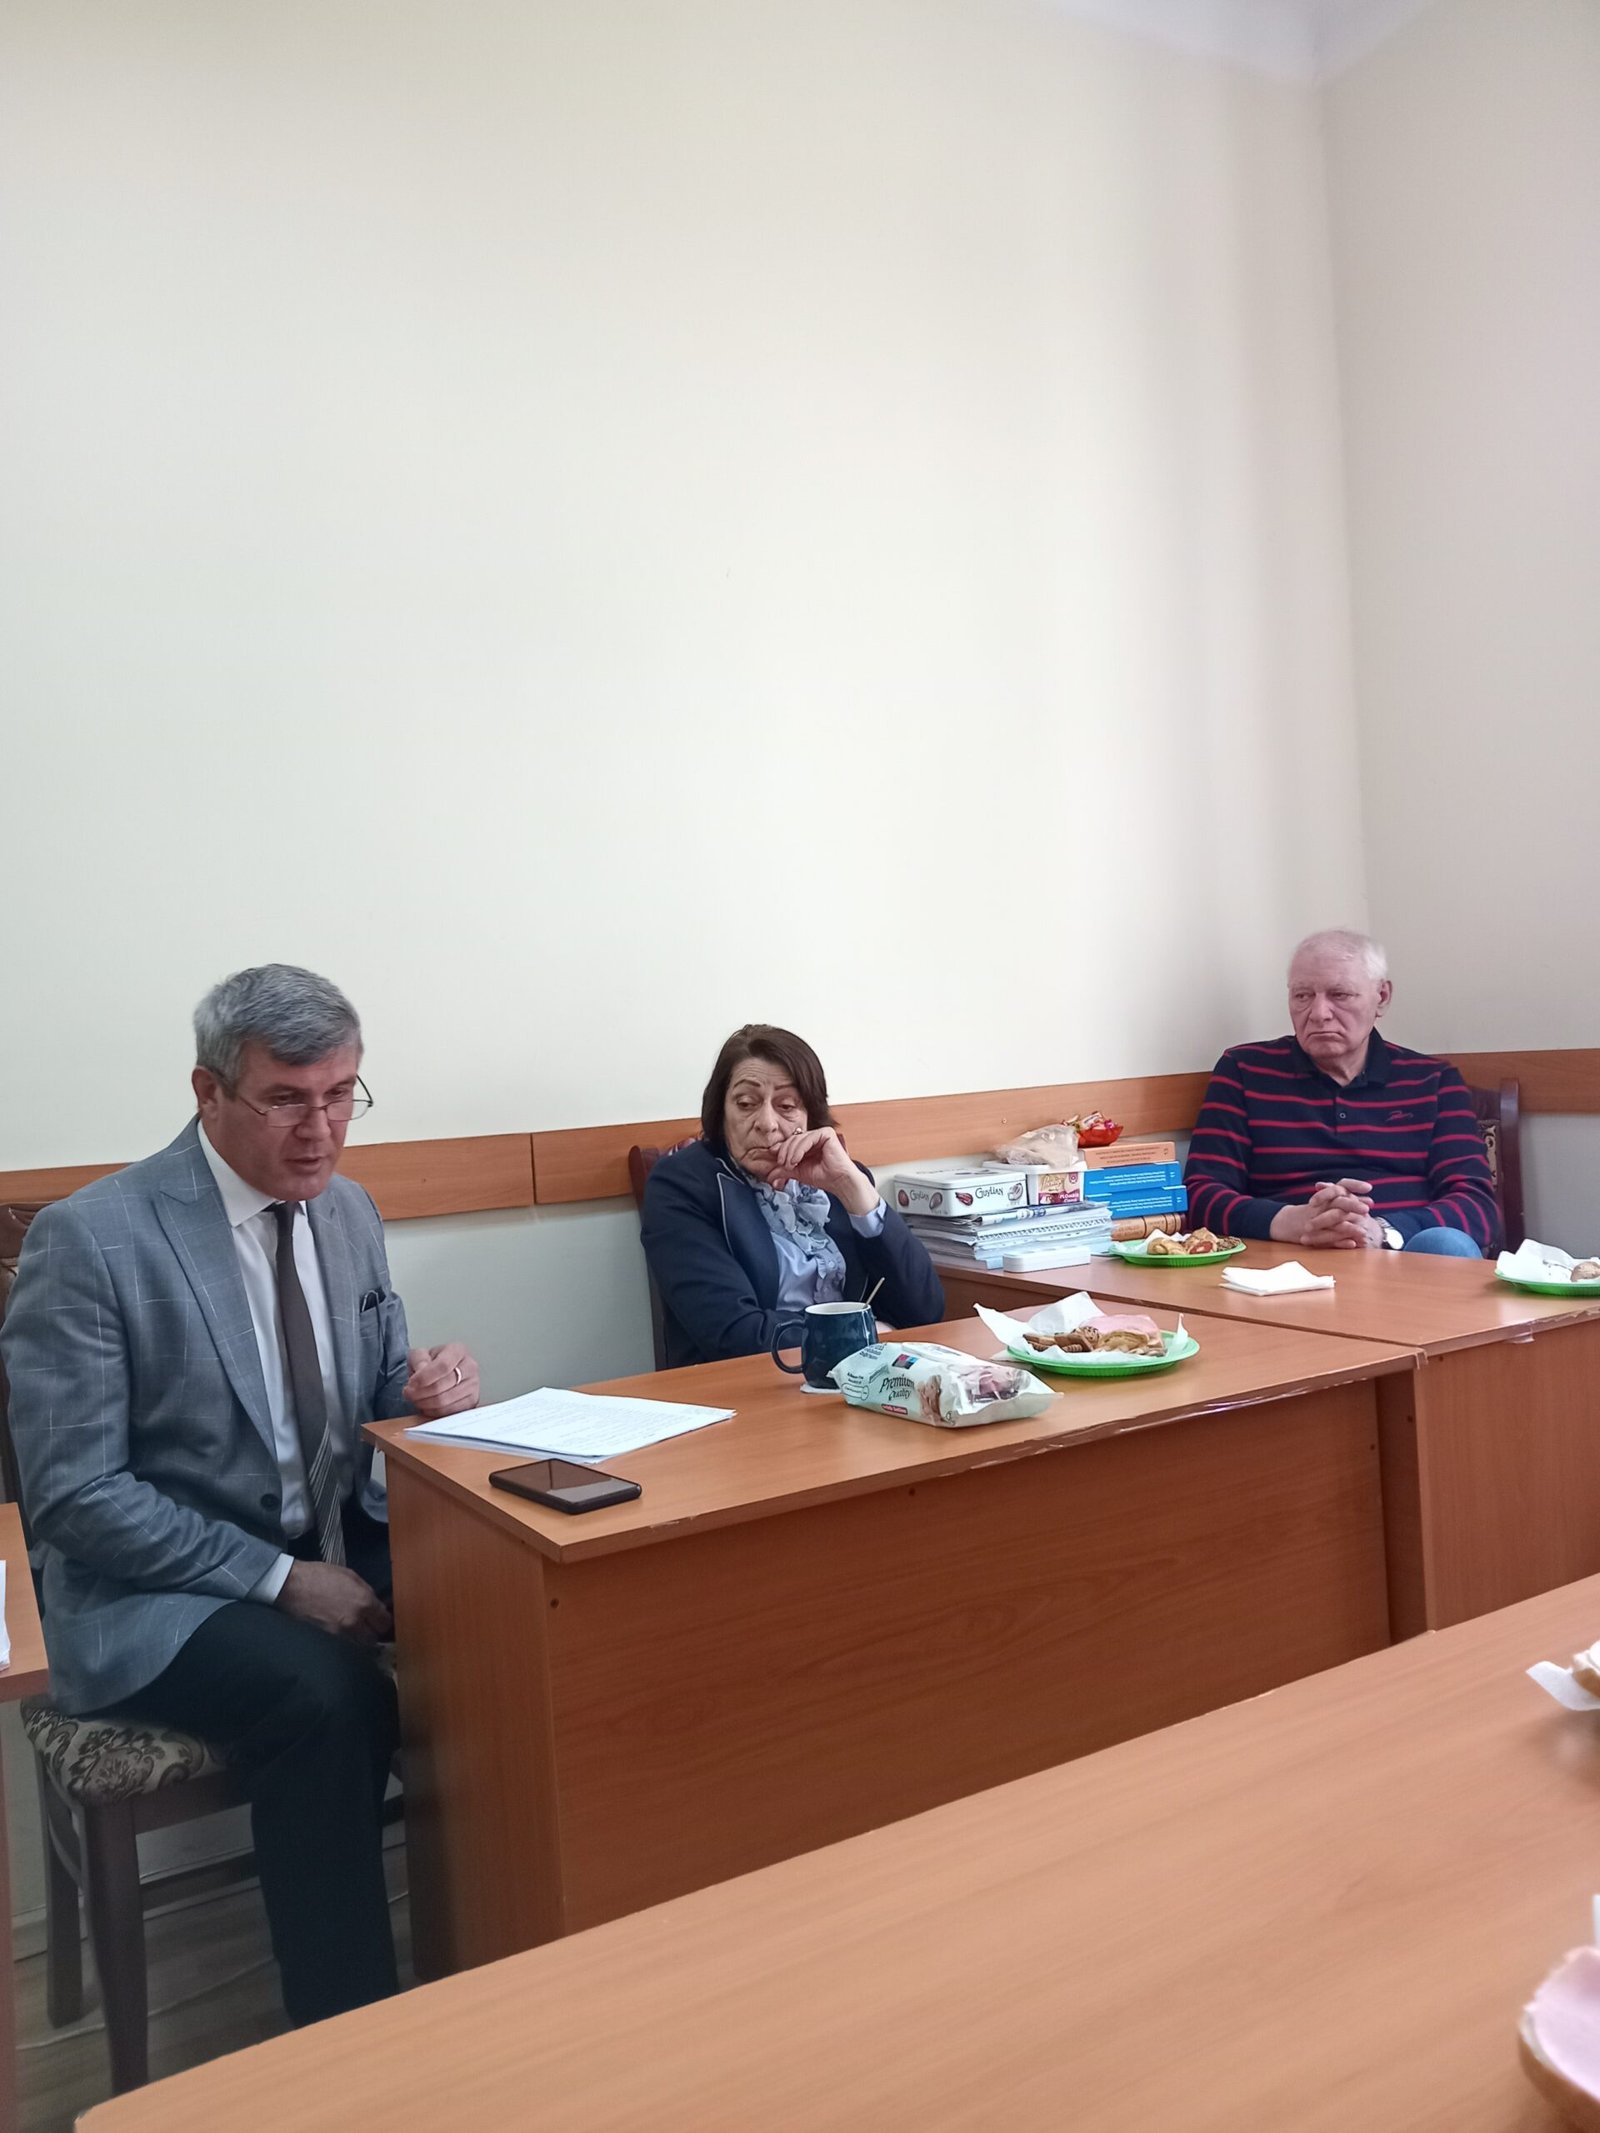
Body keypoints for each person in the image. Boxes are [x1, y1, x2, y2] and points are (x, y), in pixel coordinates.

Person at [1, 964, 482, 2027]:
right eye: (286, 1099)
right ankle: (347, 2029)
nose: (321, 1130)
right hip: (154, 1589)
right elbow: (75, 1495)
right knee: (330, 1699)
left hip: (329, 1531)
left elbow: (374, 1399)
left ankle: (512, 1939)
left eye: (341, 1094)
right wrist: (280, 1581)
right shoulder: (93, 1239)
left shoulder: (347, 1210)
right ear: (208, 1091)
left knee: (509, 1603)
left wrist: (424, 1395)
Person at [640, 1024, 945, 1366]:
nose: (767, 1123)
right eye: (746, 1103)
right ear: (721, 1112)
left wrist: (854, 1189)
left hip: (860, 1377)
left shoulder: (839, 1179)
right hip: (750, 1383)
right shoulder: (682, 1185)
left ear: (810, 1115)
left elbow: (925, 1311)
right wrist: (860, 1333)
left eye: (786, 1105)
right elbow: (734, 1335)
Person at [1184, 929, 1500, 1255]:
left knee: (1447, 1245)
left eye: (1340, 994)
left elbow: (1477, 1205)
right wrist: (1289, 1221)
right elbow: (1200, 1193)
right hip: (1285, 1261)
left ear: (1382, 997)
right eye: (1303, 996)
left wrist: (1382, 1230)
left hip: (1402, 1256)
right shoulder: (1243, 1071)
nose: (1319, 1013)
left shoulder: (1433, 1081)